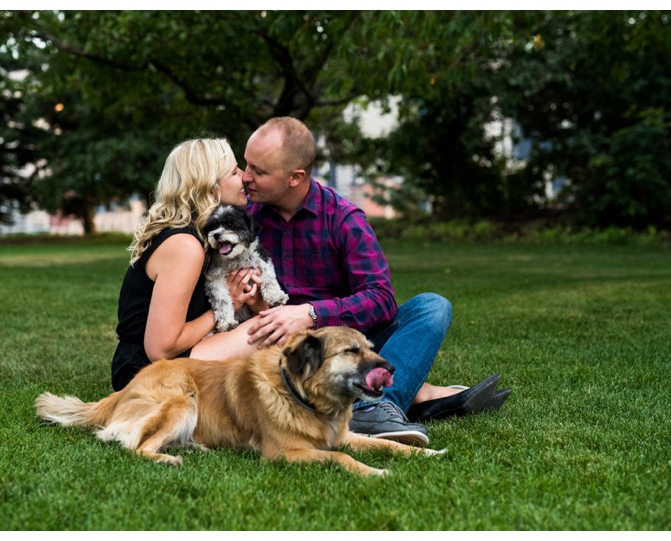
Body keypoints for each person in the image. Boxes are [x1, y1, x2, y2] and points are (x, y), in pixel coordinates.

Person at [241, 117, 511, 446]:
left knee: (433, 306)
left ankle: (377, 407)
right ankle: (420, 397)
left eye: (259, 171)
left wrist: (311, 313)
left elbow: (381, 298)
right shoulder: (242, 218)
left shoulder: (342, 219)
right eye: (246, 165)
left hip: (345, 348)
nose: (245, 177)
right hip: (277, 352)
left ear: (296, 177)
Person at [111, 138, 267, 392]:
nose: (244, 177)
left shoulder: (201, 237)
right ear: (211, 189)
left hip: (163, 363)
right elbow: (160, 349)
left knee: (275, 324)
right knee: (268, 332)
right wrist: (230, 303)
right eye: (234, 171)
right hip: (146, 375)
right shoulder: (185, 245)